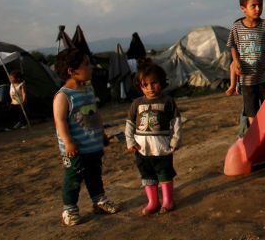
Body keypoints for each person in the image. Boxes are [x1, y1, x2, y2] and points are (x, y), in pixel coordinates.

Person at [53, 48, 119, 226]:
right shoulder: (63, 96)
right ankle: (70, 209)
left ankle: (99, 201)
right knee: (73, 179)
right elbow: (60, 122)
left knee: (94, 175)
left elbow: (95, 114)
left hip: (93, 145)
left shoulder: (88, 89)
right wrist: (68, 143)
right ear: (72, 71)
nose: (91, 67)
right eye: (86, 64)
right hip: (74, 149)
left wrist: (103, 134)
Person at [125, 63, 182, 215]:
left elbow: (176, 122)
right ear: (140, 86)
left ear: (162, 82)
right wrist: (130, 142)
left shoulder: (168, 101)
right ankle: (153, 202)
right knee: (147, 175)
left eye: (154, 83)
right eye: (145, 85)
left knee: (164, 174)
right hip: (141, 149)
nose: (150, 88)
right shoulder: (136, 103)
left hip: (162, 147)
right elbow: (129, 125)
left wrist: (175, 140)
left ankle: (168, 201)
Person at [226, 0, 265, 137]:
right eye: (253, 6)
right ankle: (255, 137)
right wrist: (236, 62)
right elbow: (232, 46)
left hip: (264, 76)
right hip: (247, 78)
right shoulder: (237, 27)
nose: (258, 9)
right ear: (243, 9)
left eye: (260, 5)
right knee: (251, 109)